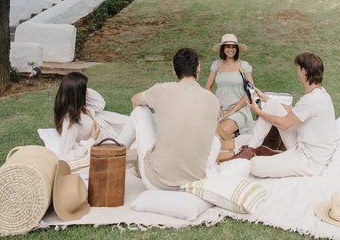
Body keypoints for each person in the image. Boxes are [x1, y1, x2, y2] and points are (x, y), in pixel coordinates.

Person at [119, 47, 221, 190]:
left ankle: (114, 154)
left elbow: (135, 100)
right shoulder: (213, 100)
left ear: (174, 70)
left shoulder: (161, 90)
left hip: (157, 182)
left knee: (140, 111)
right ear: (198, 68)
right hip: (192, 183)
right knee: (216, 140)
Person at [232, 52, 337, 178]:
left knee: (255, 166)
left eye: (298, 68)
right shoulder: (322, 94)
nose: (297, 72)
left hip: (310, 160)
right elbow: (297, 111)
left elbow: (284, 124)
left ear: (304, 72)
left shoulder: (312, 100)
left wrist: (258, 112)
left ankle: (278, 156)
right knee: (271, 104)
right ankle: (251, 148)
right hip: (302, 145)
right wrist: (266, 99)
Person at [54, 71, 131, 164]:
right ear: (77, 94)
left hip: (108, 125)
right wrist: (92, 139)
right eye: (85, 89)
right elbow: (64, 156)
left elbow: (100, 104)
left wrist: (81, 89)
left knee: (137, 122)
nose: (87, 92)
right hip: (105, 140)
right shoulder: (70, 121)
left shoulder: (80, 105)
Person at [205, 33, 254, 136]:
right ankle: (232, 136)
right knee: (206, 133)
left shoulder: (243, 66)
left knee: (219, 134)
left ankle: (234, 133)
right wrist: (217, 107)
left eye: (233, 47)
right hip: (219, 110)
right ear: (223, 48)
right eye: (228, 46)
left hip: (238, 110)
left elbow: (250, 90)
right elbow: (208, 87)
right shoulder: (216, 65)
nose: (231, 49)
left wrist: (232, 110)